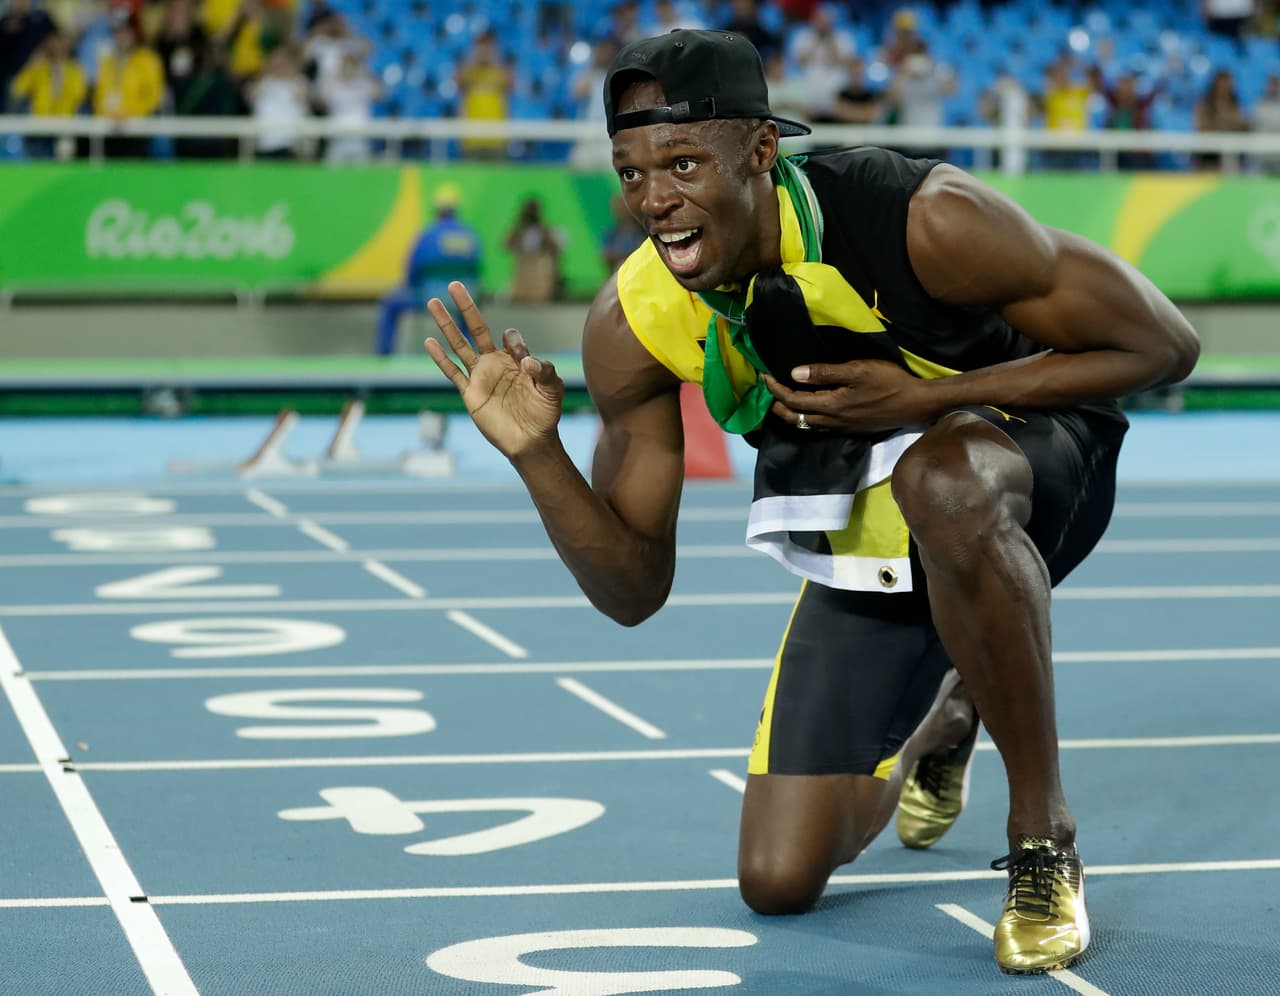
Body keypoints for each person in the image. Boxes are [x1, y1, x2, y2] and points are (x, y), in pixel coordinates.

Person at [422, 29, 1198, 975]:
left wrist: (928, 400)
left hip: (1029, 473)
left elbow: (1162, 347)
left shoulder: (926, 219)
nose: (655, 202)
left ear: (760, 152)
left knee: (940, 480)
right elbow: (632, 590)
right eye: (631, 174)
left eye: (681, 163)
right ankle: (952, 708)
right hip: (870, 526)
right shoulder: (633, 321)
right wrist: (538, 458)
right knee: (776, 878)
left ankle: (1043, 842)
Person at [376, 183, 481, 355]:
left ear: (437, 210)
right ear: (456, 209)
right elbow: (476, 270)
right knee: (466, 312)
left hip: (429, 298)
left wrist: (414, 287)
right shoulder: (469, 235)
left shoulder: (428, 235)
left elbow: (412, 270)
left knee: (390, 304)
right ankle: (473, 355)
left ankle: (383, 353)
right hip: (462, 299)